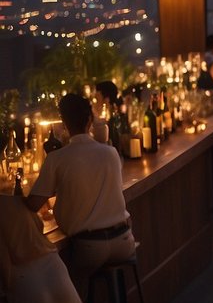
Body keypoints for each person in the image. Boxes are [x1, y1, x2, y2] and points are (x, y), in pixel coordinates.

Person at [26, 93, 137, 285]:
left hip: (89, 248)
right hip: (124, 241)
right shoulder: (110, 153)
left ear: (64, 123)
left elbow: (33, 204)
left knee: (68, 282)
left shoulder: (57, 159)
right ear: (90, 120)